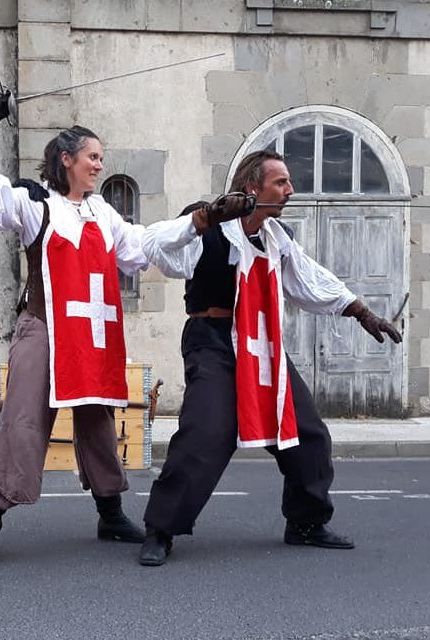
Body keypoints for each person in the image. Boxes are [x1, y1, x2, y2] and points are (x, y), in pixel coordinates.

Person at [137, 149, 402, 566]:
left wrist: (362, 313)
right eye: (281, 182)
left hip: (261, 342)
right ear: (252, 187)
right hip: (213, 340)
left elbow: (311, 280)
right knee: (206, 432)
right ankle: (161, 529)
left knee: (307, 432)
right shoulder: (207, 225)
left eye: (289, 182)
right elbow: (152, 246)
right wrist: (204, 218)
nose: (290, 190)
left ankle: (306, 522)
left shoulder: (279, 237)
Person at [0, 100, 150, 570]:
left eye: (102, 158)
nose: (100, 165)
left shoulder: (103, 213)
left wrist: (198, 224)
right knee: (22, 422)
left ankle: (110, 513)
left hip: (90, 333)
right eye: (93, 157)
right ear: (67, 159)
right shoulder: (33, 202)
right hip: (42, 327)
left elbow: (142, 248)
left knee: (96, 420)